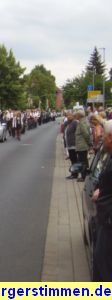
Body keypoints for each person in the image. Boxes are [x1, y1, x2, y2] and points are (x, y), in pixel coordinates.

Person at [92, 120, 112, 281]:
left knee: (102, 261)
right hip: (105, 218)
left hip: (108, 221)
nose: (101, 137)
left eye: (104, 135)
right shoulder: (109, 157)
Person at [75, 110, 92, 182]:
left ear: (79, 115)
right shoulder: (82, 121)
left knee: (82, 162)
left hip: (82, 146)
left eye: (76, 115)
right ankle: (85, 175)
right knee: (84, 161)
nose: (76, 116)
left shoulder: (82, 123)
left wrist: (89, 143)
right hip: (82, 146)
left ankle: (83, 177)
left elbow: (86, 134)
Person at [64, 112, 79, 179]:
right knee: (72, 159)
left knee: (74, 159)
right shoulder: (68, 123)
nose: (68, 117)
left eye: (70, 115)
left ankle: (75, 174)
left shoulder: (75, 123)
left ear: (73, 116)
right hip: (69, 144)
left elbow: (77, 133)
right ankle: (74, 173)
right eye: (67, 115)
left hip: (73, 144)